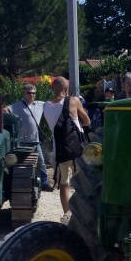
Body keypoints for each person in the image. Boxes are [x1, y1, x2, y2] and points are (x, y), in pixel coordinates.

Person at [43, 77, 91, 224]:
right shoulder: (73, 101)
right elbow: (87, 121)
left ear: (52, 88)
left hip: (60, 150)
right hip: (76, 150)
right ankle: (82, 212)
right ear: (66, 89)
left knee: (64, 183)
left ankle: (67, 213)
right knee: (81, 182)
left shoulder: (46, 105)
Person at [5, 84, 53, 191]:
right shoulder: (18, 105)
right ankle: (17, 183)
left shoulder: (40, 104)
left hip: (35, 140)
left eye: (33, 93)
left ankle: (44, 183)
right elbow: (6, 110)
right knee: (19, 162)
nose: (31, 95)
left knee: (41, 161)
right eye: (29, 93)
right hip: (22, 141)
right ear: (24, 94)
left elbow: (52, 106)